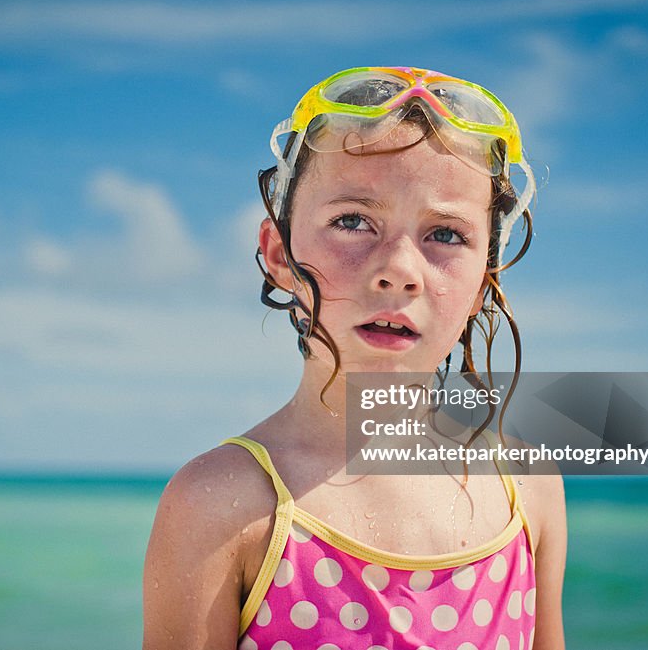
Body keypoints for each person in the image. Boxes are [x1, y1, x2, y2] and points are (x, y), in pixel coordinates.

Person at [143, 66, 566, 650]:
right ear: (279, 253)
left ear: (483, 278)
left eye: (445, 234)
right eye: (352, 221)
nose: (398, 270)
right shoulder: (222, 505)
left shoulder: (527, 487)